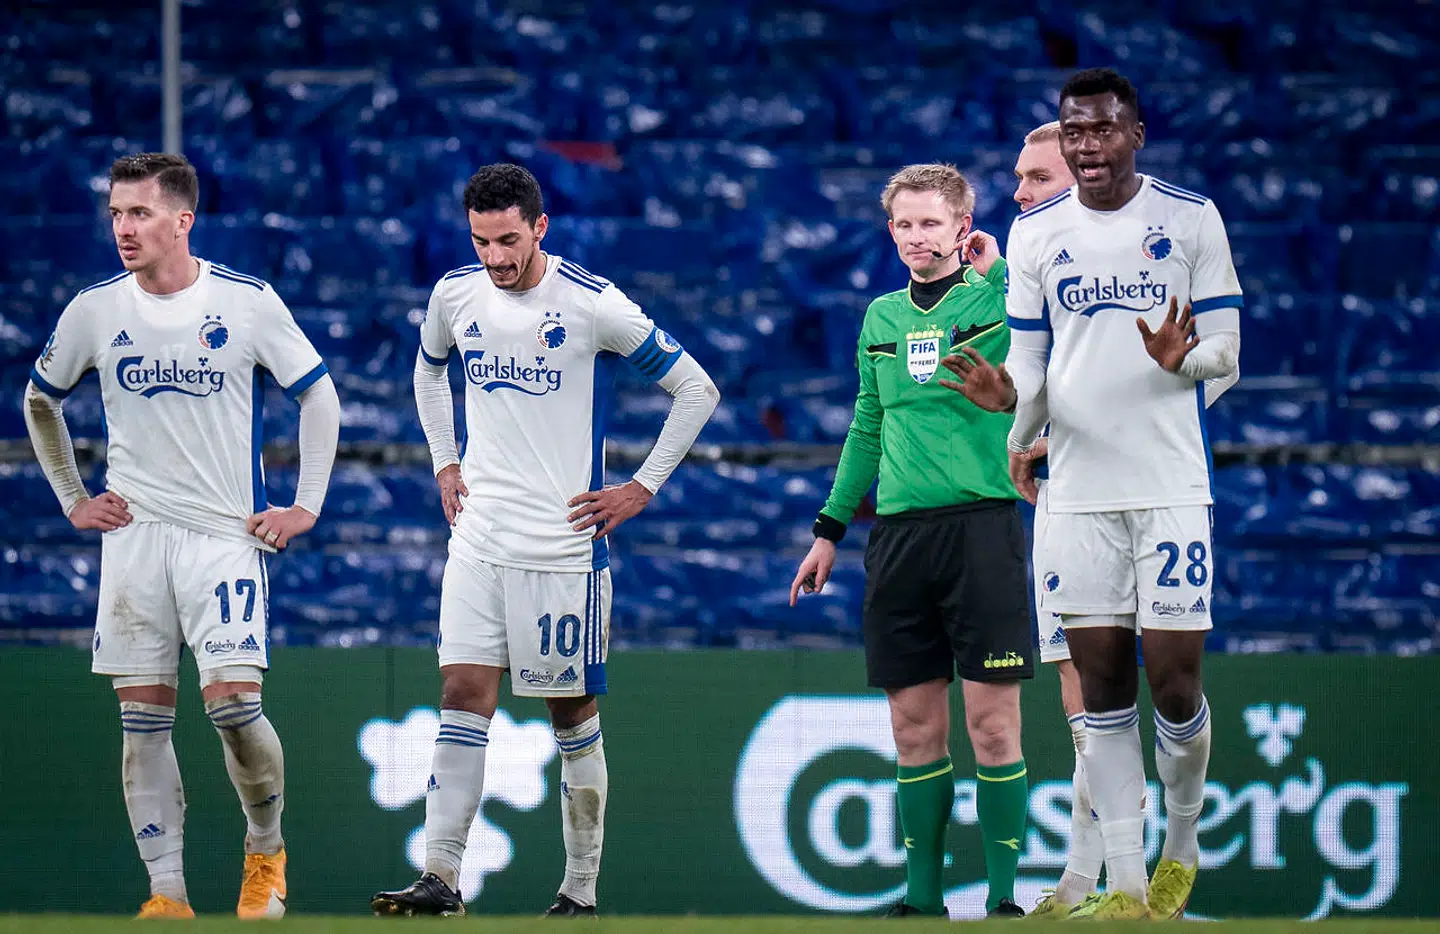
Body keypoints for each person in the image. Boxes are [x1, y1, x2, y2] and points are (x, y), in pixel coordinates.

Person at [372, 163, 719, 918]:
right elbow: (429, 373)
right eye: (480, 240)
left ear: (540, 227)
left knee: (571, 717)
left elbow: (697, 388)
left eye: (507, 240)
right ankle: (441, 877)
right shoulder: (454, 295)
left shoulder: (592, 304)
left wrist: (641, 487)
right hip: (478, 538)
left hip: (562, 549)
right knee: (461, 696)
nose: (495, 257)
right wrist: (444, 461)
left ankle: (580, 888)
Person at [945, 68, 1243, 920]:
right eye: (1074, 131)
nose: (1087, 145)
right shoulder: (1037, 233)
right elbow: (1032, 364)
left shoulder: (1188, 218)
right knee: (1101, 689)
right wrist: (1013, 417)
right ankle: (1125, 883)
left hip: (1170, 482)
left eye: (1104, 129)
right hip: (1076, 490)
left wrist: (1180, 362)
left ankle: (1181, 842)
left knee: (1176, 685)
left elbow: (1226, 351)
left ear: (1135, 134)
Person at [22, 153, 340, 920]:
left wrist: (306, 505)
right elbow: (40, 401)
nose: (123, 229)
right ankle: (167, 894)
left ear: (181, 221)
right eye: (115, 214)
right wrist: (73, 498)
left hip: (222, 535)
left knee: (233, 708)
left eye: (138, 213)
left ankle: (265, 852)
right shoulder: (95, 310)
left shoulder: (246, 302)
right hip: (135, 539)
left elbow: (320, 398)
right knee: (142, 723)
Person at [789, 163, 1032, 920]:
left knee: (992, 725)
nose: (917, 237)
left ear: (964, 228)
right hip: (897, 540)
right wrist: (829, 530)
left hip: (983, 531)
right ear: (890, 230)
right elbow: (867, 426)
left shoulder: (1001, 299)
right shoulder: (880, 318)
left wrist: (1001, 268)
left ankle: (1000, 900)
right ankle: (922, 901)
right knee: (912, 726)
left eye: (933, 223)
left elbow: (1056, 312)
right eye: (905, 223)